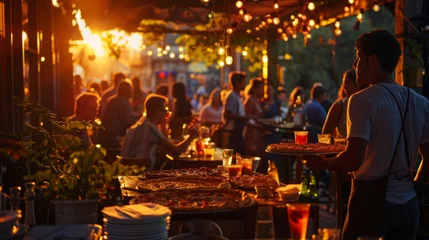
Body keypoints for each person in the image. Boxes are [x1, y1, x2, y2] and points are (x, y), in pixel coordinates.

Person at [304, 30, 429, 239]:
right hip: (409, 205)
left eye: (358, 57)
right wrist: (413, 186)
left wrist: (322, 164)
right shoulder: (421, 102)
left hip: (372, 205)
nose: (354, 64)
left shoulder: (362, 100)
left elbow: (353, 160)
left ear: (372, 60)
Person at [121, 94, 199, 171]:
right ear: (157, 111)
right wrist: (191, 137)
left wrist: (163, 124)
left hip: (127, 171)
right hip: (139, 173)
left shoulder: (140, 125)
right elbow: (175, 151)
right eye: (165, 110)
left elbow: (166, 146)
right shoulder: (150, 128)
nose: (166, 113)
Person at [322, 69, 368, 138]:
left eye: (347, 83)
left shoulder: (369, 105)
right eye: (343, 84)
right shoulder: (339, 106)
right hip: (341, 148)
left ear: (358, 84)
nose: (344, 87)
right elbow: (325, 136)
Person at [99, 80, 141, 148]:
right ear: (127, 91)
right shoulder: (122, 102)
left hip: (105, 137)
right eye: (131, 90)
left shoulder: (113, 100)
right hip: (114, 139)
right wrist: (139, 121)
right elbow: (127, 121)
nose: (132, 92)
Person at [223, 72, 249, 155]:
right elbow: (227, 114)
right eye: (244, 82)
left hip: (238, 130)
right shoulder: (231, 96)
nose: (245, 84)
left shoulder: (237, 96)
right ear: (238, 83)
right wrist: (243, 117)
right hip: (233, 132)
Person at [243, 78, 265, 156]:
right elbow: (247, 118)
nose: (262, 90)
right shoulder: (250, 100)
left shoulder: (256, 100)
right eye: (260, 88)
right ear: (254, 89)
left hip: (257, 133)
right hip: (252, 133)